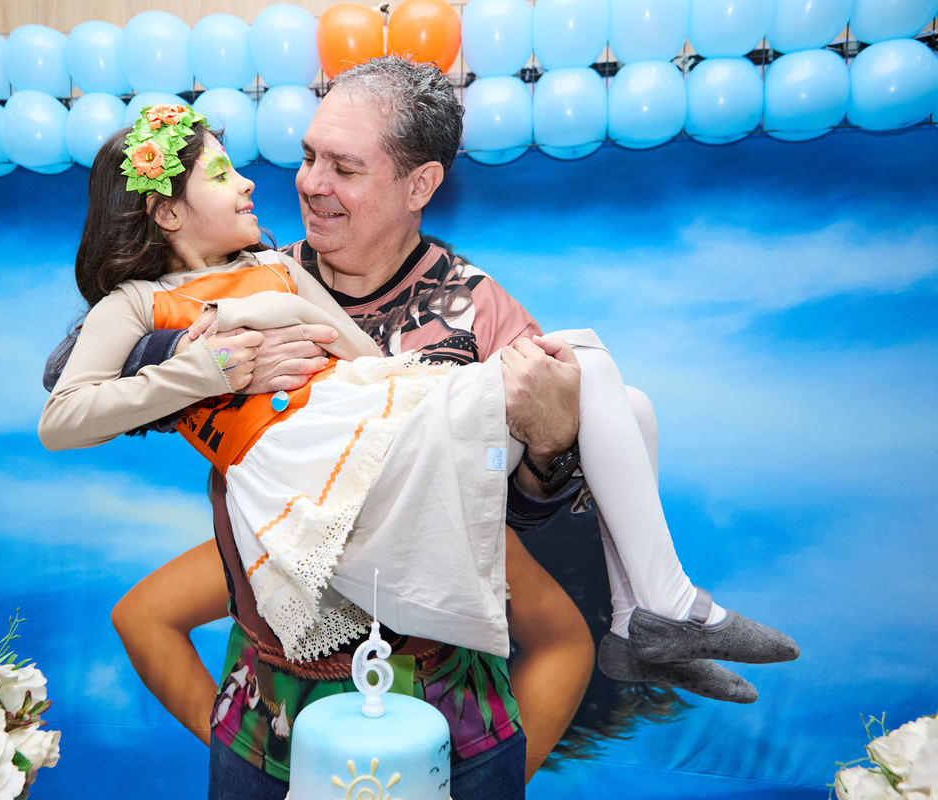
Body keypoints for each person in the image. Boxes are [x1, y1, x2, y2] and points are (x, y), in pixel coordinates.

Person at [44, 59, 795, 798]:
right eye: (308, 157)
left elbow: (524, 514)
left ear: (419, 185)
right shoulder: (259, 262)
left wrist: (547, 444)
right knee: (608, 387)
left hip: (445, 683)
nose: (309, 183)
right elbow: (69, 372)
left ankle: (653, 616)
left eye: (344, 167)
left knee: (617, 399)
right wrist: (206, 357)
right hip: (271, 692)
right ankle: (661, 612)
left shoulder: (479, 307)